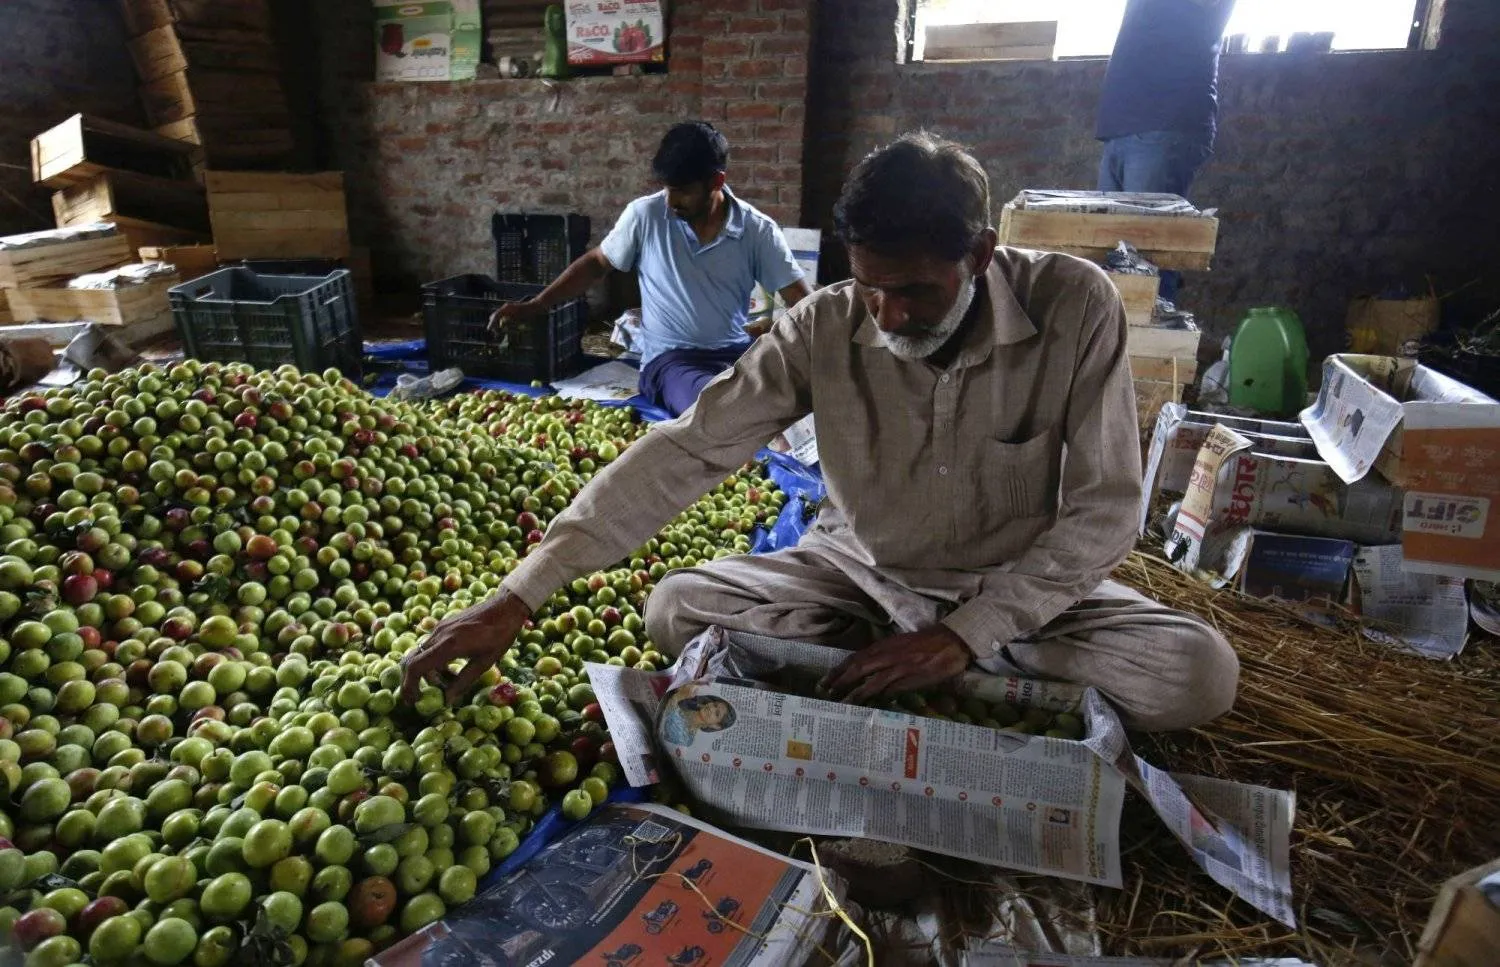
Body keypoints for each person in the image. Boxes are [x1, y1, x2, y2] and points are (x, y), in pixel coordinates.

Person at [404, 132, 1240, 733]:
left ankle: (916, 668)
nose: (889, 313)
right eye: (871, 285)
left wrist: (967, 632)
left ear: (980, 254)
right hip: (858, 578)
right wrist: (521, 594)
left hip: (1016, 591)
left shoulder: (1074, 304)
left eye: (914, 290)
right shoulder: (828, 326)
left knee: (1198, 672)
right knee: (677, 608)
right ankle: (944, 678)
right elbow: (689, 446)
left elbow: (1104, 512)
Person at [492, 121, 812, 417]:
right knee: (713, 406)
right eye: (667, 188)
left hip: (738, 357)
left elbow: (803, 300)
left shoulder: (757, 230)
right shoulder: (646, 216)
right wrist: (537, 305)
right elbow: (596, 264)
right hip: (672, 363)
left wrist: (783, 332)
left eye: (683, 190)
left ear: (717, 182)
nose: (671, 200)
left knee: (787, 399)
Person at [1096, 0, 1236, 302]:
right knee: (1114, 256)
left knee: (1147, 257)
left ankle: (1154, 347)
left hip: (1163, 122)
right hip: (1123, 126)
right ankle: (1122, 346)